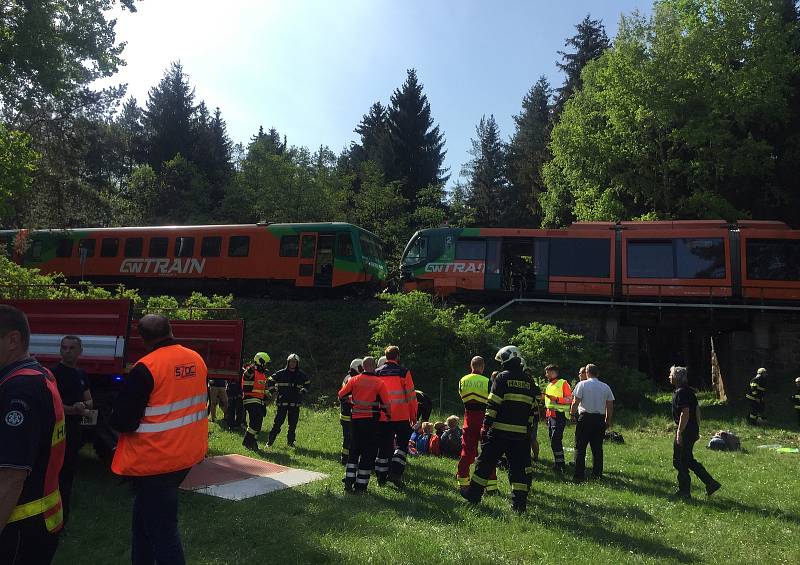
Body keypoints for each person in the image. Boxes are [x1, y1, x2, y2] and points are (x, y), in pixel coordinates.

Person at [110, 314, 208, 565]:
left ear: (143, 339)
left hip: (156, 460)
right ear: (171, 329)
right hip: (185, 456)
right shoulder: (196, 359)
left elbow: (123, 421)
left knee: (163, 533)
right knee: (144, 522)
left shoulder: (146, 367)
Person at [0, 305, 65, 565]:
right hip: (32, 523)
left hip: (17, 527)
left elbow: (11, 477)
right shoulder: (37, 374)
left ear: (13, 340)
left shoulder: (21, 389)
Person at [462, 346, 536, 513]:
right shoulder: (529, 381)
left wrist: (485, 426)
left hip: (499, 432)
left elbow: (493, 404)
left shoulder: (502, 378)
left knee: (485, 463)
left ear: (508, 360)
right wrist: (527, 431)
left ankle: (473, 495)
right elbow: (532, 410)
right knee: (519, 469)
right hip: (520, 435)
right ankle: (519, 505)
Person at [51, 335, 92, 527]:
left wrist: (82, 406)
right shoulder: (54, 374)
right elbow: (54, 404)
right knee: (55, 474)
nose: (67, 351)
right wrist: (72, 409)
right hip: (58, 431)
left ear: (80, 351)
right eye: (64, 347)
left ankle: (63, 517)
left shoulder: (81, 374)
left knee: (68, 474)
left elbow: (89, 400)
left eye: (71, 348)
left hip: (75, 431)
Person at [669, 365, 721, 500]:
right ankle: (711, 483)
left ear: (676, 377)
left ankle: (684, 492)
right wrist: (697, 428)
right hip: (691, 429)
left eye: (670, 374)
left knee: (680, 460)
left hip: (685, 430)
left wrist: (679, 432)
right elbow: (697, 410)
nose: (669, 376)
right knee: (687, 459)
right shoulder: (688, 391)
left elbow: (685, 413)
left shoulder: (681, 392)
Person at [338, 357, 389, 492]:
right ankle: (361, 486)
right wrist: (388, 415)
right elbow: (386, 404)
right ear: (374, 366)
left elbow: (341, 394)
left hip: (355, 420)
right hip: (371, 422)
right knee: (368, 452)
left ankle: (348, 480)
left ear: (362, 366)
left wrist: (352, 401)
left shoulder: (354, 380)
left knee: (354, 450)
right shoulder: (379, 383)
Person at [375, 345, 418, 489]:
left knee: (383, 445)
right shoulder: (403, 372)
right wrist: (413, 415)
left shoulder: (377, 373)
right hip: (401, 416)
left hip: (383, 416)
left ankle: (381, 476)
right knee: (402, 444)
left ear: (386, 357)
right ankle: (396, 472)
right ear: (397, 356)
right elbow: (411, 396)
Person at [457, 356, 497, 492]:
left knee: (466, 451)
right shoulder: (487, 382)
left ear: (471, 365)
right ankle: (491, 486)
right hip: (484, 419)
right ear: (483, 367)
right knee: (488, 452)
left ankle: (463, 481)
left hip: (468, 418)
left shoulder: (463, 380)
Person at [570, 363, 614, 482]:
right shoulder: (605, 387)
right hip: (599, 419)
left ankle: (579, 475)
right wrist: (608, 419)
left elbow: (576, 402)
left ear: (587, 373)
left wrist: (572, 414)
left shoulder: (582, 384)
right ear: (598, 373)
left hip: (585, 418)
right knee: (597, 448)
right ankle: (597, 475)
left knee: (580, 447)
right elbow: (609, 405)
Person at [266, 353, 310, 447]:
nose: (293, 363)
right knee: (277, 423)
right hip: (282, 403)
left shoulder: (301, 375)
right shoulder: (281, 373)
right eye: (291, 362)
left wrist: (303, 391)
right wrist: (273, 391)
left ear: (297, 363)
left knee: (293, 425)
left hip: (295, 403)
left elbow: (308, 383)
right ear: (288, 362)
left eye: (295, 362)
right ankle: (270, 442)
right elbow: (270, 380)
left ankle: (290, 443)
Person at [544, 364, 572, 472]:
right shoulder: (549, 385)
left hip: (559, 415)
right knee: (553, 440)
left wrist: (556, 399)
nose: (546, 375)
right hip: (551, 416)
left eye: (547, 372)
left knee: (555, 440)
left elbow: (570, 399)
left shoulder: (563, 383)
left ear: (552, 372)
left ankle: (560, 465)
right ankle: (558, 463)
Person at [241, 352, 271, 451]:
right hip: (251, 400)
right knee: (256, 422)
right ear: (261, 362)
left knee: (257, 424)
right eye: (265, 363)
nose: (267, 366)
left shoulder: (262, 375)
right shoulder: (252, 371)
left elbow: (263, 389)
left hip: (259, 401)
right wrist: (251, 367)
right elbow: (246, 375)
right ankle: (248, 442)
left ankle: (251, 442)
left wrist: (269, 394)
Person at [340, 358, 362, 465]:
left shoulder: (348, 378)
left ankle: (346, 458)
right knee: (349, 438)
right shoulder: (352, 379)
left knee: (348, 437)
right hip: (348, 414)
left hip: (346, 413)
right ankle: (345, 459)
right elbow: (345, 396)